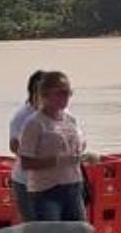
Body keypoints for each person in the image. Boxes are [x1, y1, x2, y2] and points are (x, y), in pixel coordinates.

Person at [19, 70, 90, 222]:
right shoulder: (34, 123)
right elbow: (25, 162)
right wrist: (58, 161)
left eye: (69, 92)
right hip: (46, 190)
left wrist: (83, 154)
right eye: (61, 92)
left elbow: (76, 148)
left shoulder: (70, 118)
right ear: (45, 94)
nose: (66, 97)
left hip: (73, 185)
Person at [8, 70, 44, 222]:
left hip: (52, 180)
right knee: (33, 226)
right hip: (25, 181)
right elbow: (14, 146)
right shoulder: (22, 116)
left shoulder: (59, 112)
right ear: (32, 92)